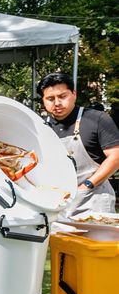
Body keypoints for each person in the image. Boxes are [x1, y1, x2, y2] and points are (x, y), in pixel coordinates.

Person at [39, 72, 119, 216]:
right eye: (50, 98)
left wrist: (86, 186)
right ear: (43, 100)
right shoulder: (41, 127)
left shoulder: (97, 119)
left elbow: (116, 156)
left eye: (62, 96)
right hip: (58, 207)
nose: (57, 103)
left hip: (94, 203)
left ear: (74, 94)